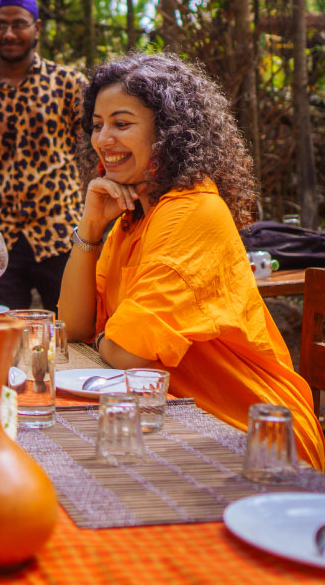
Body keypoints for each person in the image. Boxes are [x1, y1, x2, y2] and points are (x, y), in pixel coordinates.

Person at [59, 52, 325, 468]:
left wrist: (108, 340)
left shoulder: (192, 210)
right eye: (97, 125)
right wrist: (90, 227)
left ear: (168, 133)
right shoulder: (131, 218)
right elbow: (72, 327)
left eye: (121, 124)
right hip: (172, 420)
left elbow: (125, 354)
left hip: (252, 435)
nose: (103, 139)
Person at [0, 0, 86, 310]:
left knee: (72, 324)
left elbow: (90, 153)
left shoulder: (68, 84)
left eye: (19, 24)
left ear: (36, 28)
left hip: (60, 230)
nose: (9, 33)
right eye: (0, 25)